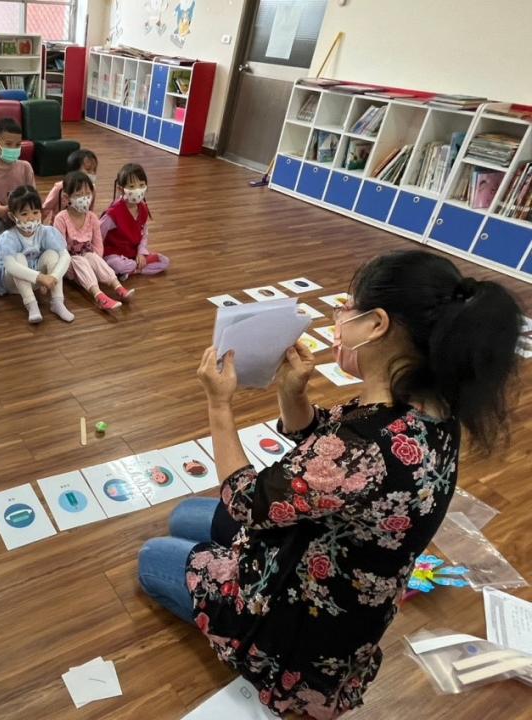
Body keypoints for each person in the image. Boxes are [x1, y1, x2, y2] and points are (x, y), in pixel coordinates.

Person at [138, 250, 523, 719]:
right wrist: (293, 393)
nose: (339, 318)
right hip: (332, 575)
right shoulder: (429, 413)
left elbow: (246, 500)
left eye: (347, 308)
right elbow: (326, 447)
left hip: (300, 622)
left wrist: (219, 406)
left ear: (376, 324)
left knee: (153, 558)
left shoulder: (367, 447)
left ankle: (254, 653)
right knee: (185, 516)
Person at [53, 171, 132, 312]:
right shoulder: (61, 218)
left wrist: (96, 263)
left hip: (87, 258)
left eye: (87, 194)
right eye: (78, 195)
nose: (84, 199)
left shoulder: (92, 217)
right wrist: (73, 268)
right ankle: (99, 296)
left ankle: (118, 287)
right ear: (66, 197)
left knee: (92, 257)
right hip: (69, 263)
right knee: (81, 260)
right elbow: (60, 250)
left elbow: (98, 244)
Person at [0, 185, 73, 324]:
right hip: (14, 284)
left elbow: (65, 256)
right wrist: (40, 277)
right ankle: (31, 304)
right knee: (18, 258)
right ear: (12, 216)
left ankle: (57, 302)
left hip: (41, 281)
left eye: (35, 212)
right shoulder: (8, 237)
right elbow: (11, 267)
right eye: (24, 214)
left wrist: (53, 277)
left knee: (52, 254)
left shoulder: (46, 231)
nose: (31, 218)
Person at [100, 163, 169, 278]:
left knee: (164, 261)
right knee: (118, 265)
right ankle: (129, 269)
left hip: (132, 253)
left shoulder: (143, 208)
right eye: (132, 187)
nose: (137, 190)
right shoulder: (113, 212)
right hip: (113, 254)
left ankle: (131, 270)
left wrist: (141, 252)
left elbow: (144, 234)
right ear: (121, 189)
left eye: (141, 185)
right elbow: (99, 233)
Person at [0, 118, 35, 254]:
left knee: (32, 249)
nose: (14, 149)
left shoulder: (25, 167)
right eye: (8, 144)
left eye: (18, 144)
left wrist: (9, 209)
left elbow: (32, 197)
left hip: (24, 218)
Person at [42, 149, 98, 223]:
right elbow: (46, 209)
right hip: (59, 228)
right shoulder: (60, 188)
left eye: (94, 170)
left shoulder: (92, 189)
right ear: (74, 171)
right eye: (88, 170)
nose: (92, 173)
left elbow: (90, 211)